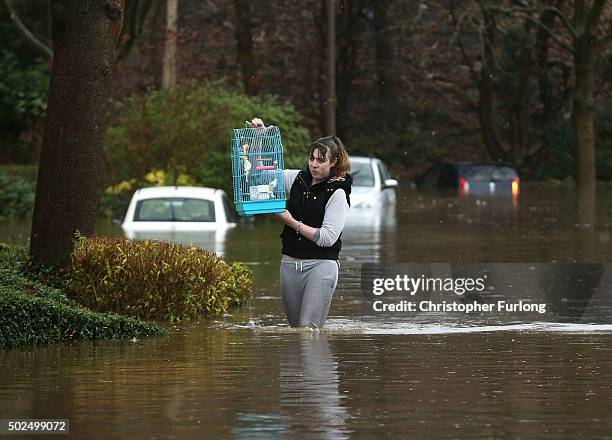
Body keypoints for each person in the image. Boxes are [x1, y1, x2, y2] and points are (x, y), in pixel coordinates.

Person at [248, 118, 352, 328]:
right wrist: (258, 139)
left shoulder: (338, 193)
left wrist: (290, 221)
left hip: (321, 265)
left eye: (321, 160)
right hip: (289, 264)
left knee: (307, 329)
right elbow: (257, 176)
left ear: (333, 163)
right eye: (311, 158)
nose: (314, 164)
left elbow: (327, 238)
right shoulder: (296, 179)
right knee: (296, 331)